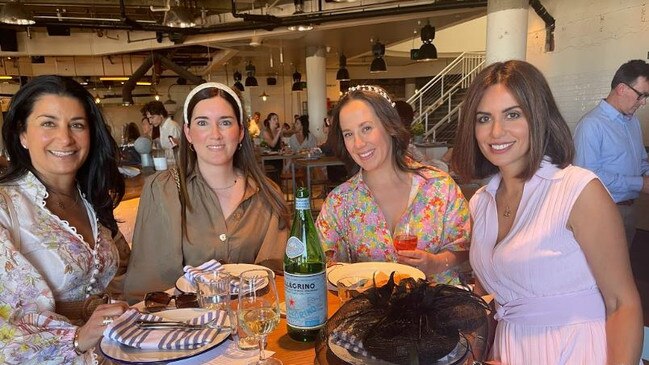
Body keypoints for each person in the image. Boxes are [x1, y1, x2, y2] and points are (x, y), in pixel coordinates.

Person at [451, 60, 642, 364]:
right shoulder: (481, 202)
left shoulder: (578, 190)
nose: (496, 131)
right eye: (483, 118)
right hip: (509, 351)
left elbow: (622, 304)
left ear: (538, 117)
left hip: (575, 351)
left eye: (512, 114)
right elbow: (488, 297)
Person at [0, 75, 130, 363]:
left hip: (109, 352)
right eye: (48, 123)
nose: (66, 138)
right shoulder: (5, 207)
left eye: (77, 125)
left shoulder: (92, 198)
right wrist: (77, 339)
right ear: (22, 134)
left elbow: (113, 278)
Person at [124, 83, 290, 304]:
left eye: (225, 122)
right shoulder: (162, 190)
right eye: (202, 123)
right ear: (188, 133)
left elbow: (276, 280)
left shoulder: (269, 195)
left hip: (252, 325)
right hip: (184, 329)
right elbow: (150, 287)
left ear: (240, 132)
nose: (215, 134)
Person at [315, 85, 470, 284]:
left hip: (440, 309)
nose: (358, 143)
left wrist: (436, 263)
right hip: (373, 313)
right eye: (348, 134)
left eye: (366, 128)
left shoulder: (439, 187)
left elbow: (464, 246)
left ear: (389, 126)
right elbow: (321, 261)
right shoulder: (340, 202)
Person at [573, 59, 649, 246]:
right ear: (622, 89)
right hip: (601, 211)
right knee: (599, 272)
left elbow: (640, 160)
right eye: (641, 95)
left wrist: (646, 174)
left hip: (629, 209)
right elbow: (589, 178)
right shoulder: (591, 125)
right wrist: (640, 184)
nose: (643, 103)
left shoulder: (633, 123)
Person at [140, 100, 181, 165]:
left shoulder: (172, 127)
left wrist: (158, 152)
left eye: (152, 117)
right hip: (167, 165)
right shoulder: (161, 127)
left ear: (161, 114)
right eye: (149, 118)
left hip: (176, 166)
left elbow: (178, 152)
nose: (150, 121)